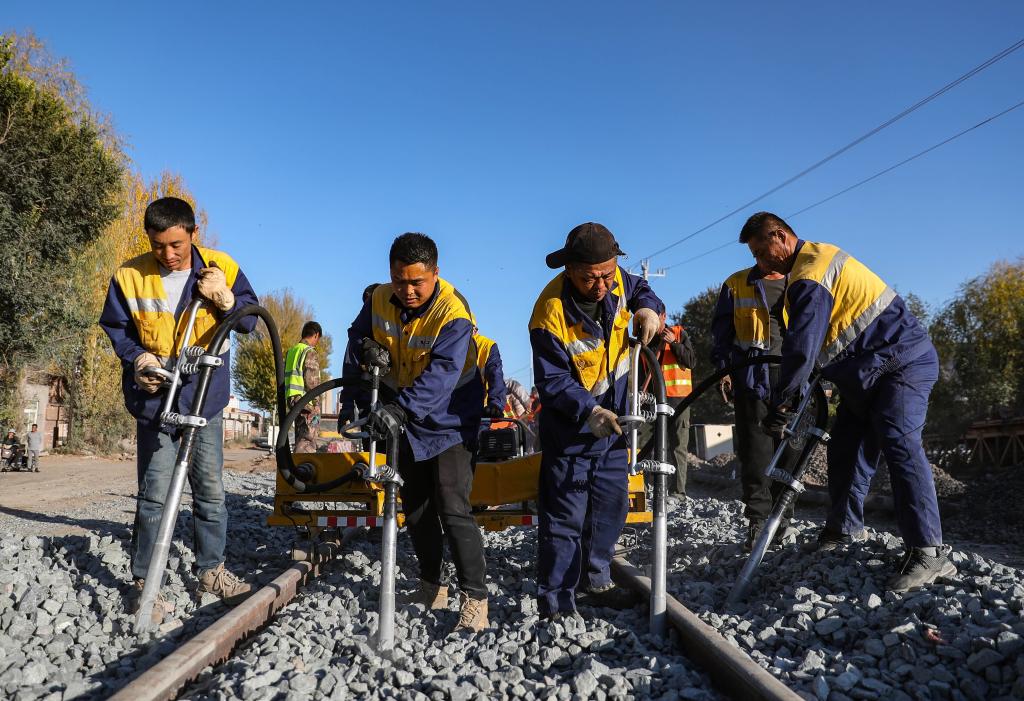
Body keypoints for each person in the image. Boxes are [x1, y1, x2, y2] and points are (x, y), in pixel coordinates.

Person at [739, 211, 953, 592]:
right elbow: (822, 348)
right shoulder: (806, 271)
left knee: (899, 442)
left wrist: (783, 401)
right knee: (845, 450)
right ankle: (842, 531)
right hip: (866, 375)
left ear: (781, 236)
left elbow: (802, 350)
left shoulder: (810, 275)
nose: (759, 262)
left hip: (901, 364)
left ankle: (929, 550)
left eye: (761, 252)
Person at [99, 196, 259, 625]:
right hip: (155, 397)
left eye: (175, 245)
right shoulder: (130, 276)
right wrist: (139, 360)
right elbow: (118, 329)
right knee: (153, 492)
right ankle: (143, 581)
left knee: (209, 489)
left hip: (203, 396)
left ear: (192, 233)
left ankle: (211, 571)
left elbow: (248, 321)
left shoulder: (220, 264)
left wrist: (225, 299)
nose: (167, 254)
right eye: (157, 246)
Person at [341, 232, 489, 632]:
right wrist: (364, 360)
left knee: (451, 505)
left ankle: (475, 598)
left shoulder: (452, 313)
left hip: (450, 419)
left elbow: (442, 377)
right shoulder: (377, 299)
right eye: (399, 280)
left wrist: (399, 410)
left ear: (435, 274)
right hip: (401, 413)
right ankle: (431, 585)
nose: (407, 290)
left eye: (416, 282)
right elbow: (357, 338)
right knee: (417, 505)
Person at [529, 222, 664, 618]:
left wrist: (648, 308)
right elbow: (553, 380)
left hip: (615, 429)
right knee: (565, 519)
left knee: (611, 505)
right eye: (591, 278)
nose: (602, 285)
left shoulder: (618, 281)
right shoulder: (549, 314)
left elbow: (640, 288)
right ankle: (556, 605)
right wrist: (590, 410)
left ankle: (596, 580)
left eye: (607, 275)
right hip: (572, 430)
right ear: (568, 270)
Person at [711, 263, 800, 549]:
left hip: (795, 373)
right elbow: (722, 333)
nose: (759, 255)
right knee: (755, 447)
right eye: (754, 250)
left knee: (791, 448)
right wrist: (724, 370)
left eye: (763, 246)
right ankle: (758, 521)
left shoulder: (800, 280)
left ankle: (783, 520)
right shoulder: (736, 283)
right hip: (752, 372)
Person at [638, 311, 695, 495]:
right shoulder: (644, 342)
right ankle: (642, 487)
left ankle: (677, 492)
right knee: (643, 443)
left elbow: (691, 361)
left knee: (678, 446)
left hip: (678, 400)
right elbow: (641, 374)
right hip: (651, 403)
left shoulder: (678, 333)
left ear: (663, 316)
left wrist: (674, 344)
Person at [285, 321, 324, 453]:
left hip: (292, 399)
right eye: (318, 340)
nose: (316, 343)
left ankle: (297, 467)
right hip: (306, 400)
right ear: (316, 335)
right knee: (308, 440)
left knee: (301, 437)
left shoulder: (292, 351)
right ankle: (305, 469)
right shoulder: (309, 352)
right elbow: (311, 381)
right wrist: (316, 403)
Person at [472, 320, 508, 420]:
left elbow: (496, 377)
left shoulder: (486, 346)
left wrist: (496, 405)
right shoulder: (444, 343)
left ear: (475, 330)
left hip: (479, 413)